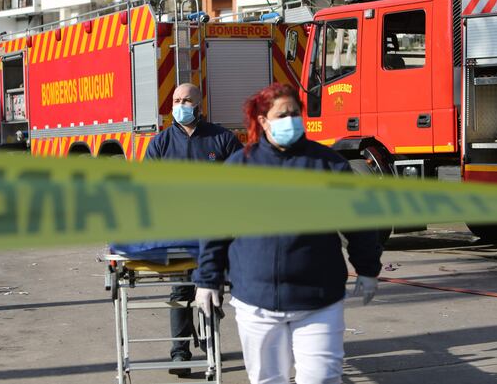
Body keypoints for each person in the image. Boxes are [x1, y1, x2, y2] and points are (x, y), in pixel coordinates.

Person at [195, 83, 382, 384]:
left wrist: (368, 269)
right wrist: (207, 280)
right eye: (282, 115)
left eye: (295, 114)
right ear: (263, 121)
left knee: (321, 378)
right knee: (268, 380)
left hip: (318, 300)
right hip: (256, 301)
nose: (291, 121)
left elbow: (359, 223)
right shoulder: (239, 167)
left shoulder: (328, 164)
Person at [145, 82, 242, 376]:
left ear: (199, 104)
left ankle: (210, 345)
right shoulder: (160, 144)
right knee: (181, 291)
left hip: (215, 231)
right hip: (178, 231)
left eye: (186, 100)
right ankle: (179, 353)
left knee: (211, 289)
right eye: (176, 100)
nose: (180, 105)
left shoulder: (222, 139)